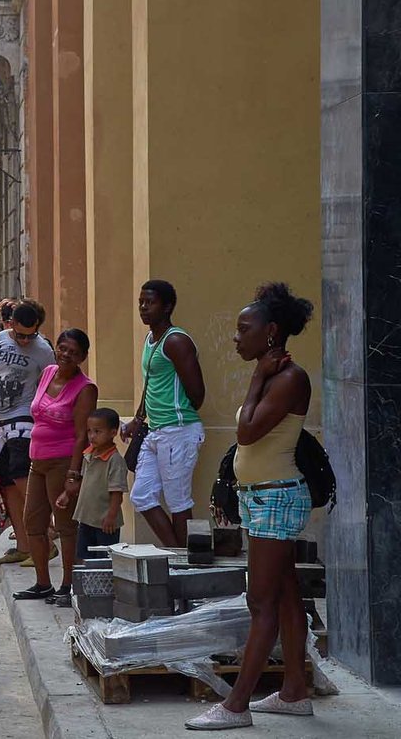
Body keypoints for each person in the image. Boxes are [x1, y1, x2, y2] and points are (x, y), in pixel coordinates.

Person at [187, 283, 316, 730]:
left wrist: (258, 378)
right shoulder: (274, 372)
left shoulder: (287, 377)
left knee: (259, 601)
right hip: (264, 498)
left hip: (276, 499)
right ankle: (295, 691)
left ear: (272, 331)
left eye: (244, 329)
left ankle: (236, 705)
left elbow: (248, 433)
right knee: (283, 596)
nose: (235, 338)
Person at [14, 328, 98, 606]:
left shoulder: (85, 388)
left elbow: (81, 435)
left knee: (65, 527)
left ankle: (68, 584)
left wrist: (74, 474)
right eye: (63, 349)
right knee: (33, 524)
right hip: (37, 461)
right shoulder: (47, 373)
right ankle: (42, 583)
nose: (66, 355)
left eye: (73, 353)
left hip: (62, 463)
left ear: (83, 357)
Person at [124, 279, 206, 548]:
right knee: (142, 496)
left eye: (150, 302)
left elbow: (197, 394)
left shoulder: (177, 341)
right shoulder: (151, 340)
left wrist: (176, 412)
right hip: (156, 431)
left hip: (178, 430)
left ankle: (185, 563)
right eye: (141, 302)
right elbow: (151, 384)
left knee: (178, 501)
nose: (144, 308)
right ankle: (176, 552)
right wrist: (138, 419)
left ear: (168, 306)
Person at [0, 298, 54, 567]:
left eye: (29, 336)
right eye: (20, 335)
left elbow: (49, 389)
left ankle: (45, 537)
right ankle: (23, 545)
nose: (24, 341)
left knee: (25, 481)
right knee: (7, 485)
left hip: (24, 419)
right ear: (11, 325)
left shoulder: (43, 351)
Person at [59, 407, 126, 560]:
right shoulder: (88, 454)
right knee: (84, 557)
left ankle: (103, 584)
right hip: (87, 518)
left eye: (98, 431)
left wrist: (111, 516)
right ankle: (88, 584)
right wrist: (67, 494)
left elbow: (117, 492)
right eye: (89, 431)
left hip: (105, 523)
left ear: (113, 432)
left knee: (103, 560)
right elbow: (84, 480)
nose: (92, 436)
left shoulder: (115, 460)